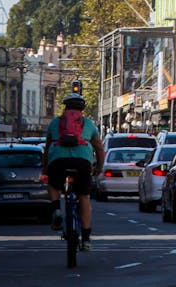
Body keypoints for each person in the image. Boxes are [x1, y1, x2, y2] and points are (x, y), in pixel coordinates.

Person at [43, 93, 104, 252]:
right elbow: (98, 147)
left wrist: (46, 167)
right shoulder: (88, 124)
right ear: (82, 108)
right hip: (82, 162)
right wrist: (99, 167)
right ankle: (86, 239)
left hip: (58, 161)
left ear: (65, 107)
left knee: (53, 185)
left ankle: (56, 209)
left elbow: (48, 147)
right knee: (83, 196)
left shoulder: (55, 123)